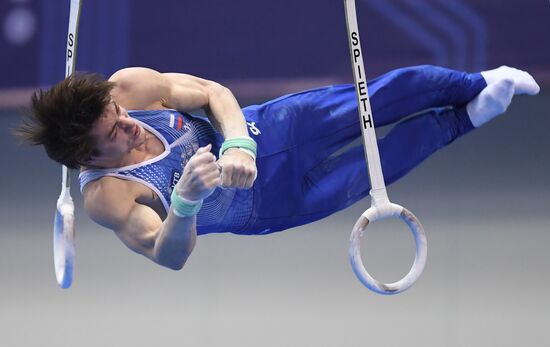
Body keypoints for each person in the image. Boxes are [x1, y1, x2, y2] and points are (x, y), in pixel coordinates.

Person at [15, 64, 540, 270]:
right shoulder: (109, 196)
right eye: (115, 134)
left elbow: (214, 91)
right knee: (379, 164)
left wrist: (237, 143)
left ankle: (474, 82)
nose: (129, 124)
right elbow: (166, 254)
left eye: (121, 116)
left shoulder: (125, 87)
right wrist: (186, 199)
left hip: (273, 129)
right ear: (87, 156)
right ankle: (468, 118)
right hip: (274, 204)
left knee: (375, 97)